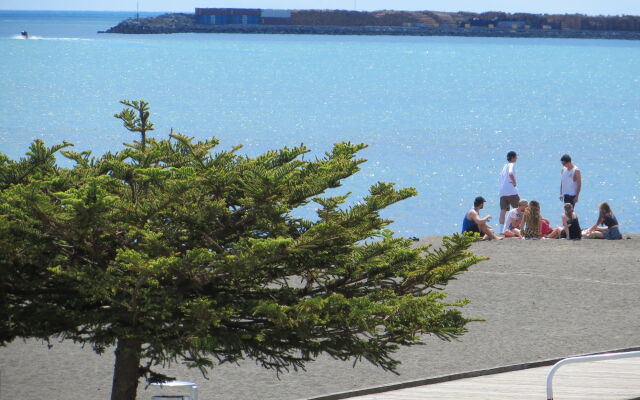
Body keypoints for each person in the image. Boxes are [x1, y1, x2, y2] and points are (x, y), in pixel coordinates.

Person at [499, 151, 519, 227]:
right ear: (513, 157)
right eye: (516, 157)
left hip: (502, 192)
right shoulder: (511, 164)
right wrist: (514, 182)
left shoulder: (505, 166)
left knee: (503, 210)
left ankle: (501, 229)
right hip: (511, 191)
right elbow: (510, 173)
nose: (517, 158)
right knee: (519, 208)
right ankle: (518, 227)